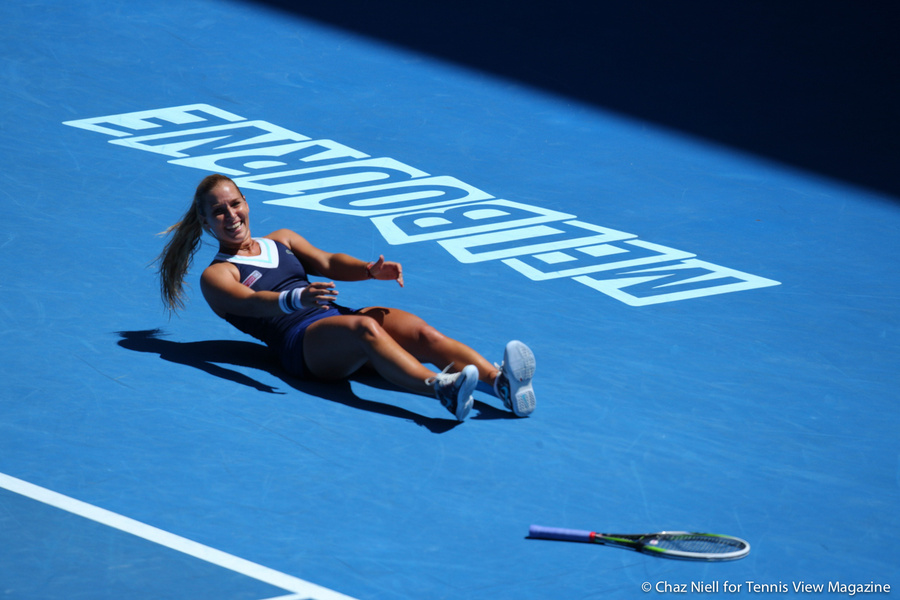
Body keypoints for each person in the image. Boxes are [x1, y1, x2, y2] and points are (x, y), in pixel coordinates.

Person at [156, 174, 535, 421]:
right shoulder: (216, 274)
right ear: (206, 223)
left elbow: (328, 262)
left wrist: (368, 269)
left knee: (422, 334)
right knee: (364, 327)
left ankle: (499, 383)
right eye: (218, 212)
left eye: (235, 204)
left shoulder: (282, 239)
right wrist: (297, 299)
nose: (231, 215)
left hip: (339, 321)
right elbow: (252, 303)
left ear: (246, 202)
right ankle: (440, 388)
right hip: (302, 346)